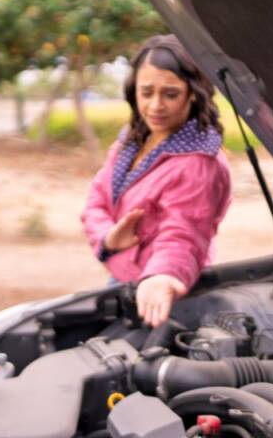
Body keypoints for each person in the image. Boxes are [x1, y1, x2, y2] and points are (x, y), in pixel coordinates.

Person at [81, 34, 231, 329]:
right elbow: (96, 200)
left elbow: (184, 232)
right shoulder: (133, 139)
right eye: (146, 92)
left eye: (170, 94)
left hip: (161, 293)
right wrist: (109, 237)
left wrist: (164, 275)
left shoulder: (198, 163)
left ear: (193, 93)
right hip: (124, 280)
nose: (155, 105)